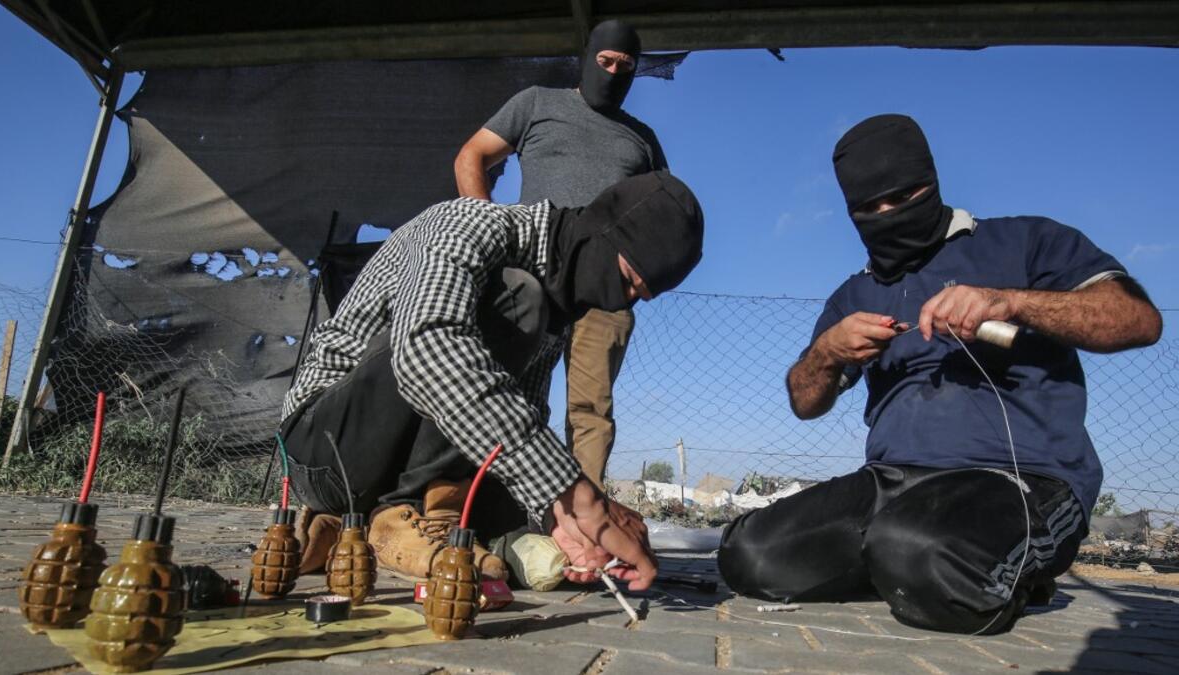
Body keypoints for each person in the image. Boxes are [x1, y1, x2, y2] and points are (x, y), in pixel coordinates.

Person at [718, 114, 1162, 634]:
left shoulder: (1025, 241)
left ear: (931, 182)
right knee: (750, 553)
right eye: (868, 208)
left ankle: (996, 567)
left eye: (903, 196)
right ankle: (907, 563)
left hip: (1022, 480)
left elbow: (1138, 319)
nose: (887, 215)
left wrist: (1007, 301)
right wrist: (826, 353)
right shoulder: (853, 295)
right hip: (891, 484)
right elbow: (805, 402)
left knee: (916, 548)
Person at [280, 171, 703, 590]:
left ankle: (352, 529)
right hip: (322, 449)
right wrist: (578, 496)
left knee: (517, 510)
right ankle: (405, 512)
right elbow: (425, 351)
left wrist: (562, 524)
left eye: (639, 298)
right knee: (518, 297)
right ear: (599, 231)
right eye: (627, 280)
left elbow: (513, 430)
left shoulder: (556, 313)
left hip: (389, 474)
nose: (621, 300)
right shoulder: (466, 225)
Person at [454, 19, 667, 490]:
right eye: (605, 61)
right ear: (587, 58)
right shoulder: (537, 103)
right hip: (532, 274)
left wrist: (641, 272)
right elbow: (472, 155)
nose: (613, 72)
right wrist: (485, 229)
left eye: (626, 66)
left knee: (592, 409)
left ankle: (581, 524)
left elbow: (661, 212)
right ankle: (493, 506)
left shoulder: (642, 138)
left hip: (605, 291)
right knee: (507, 392)